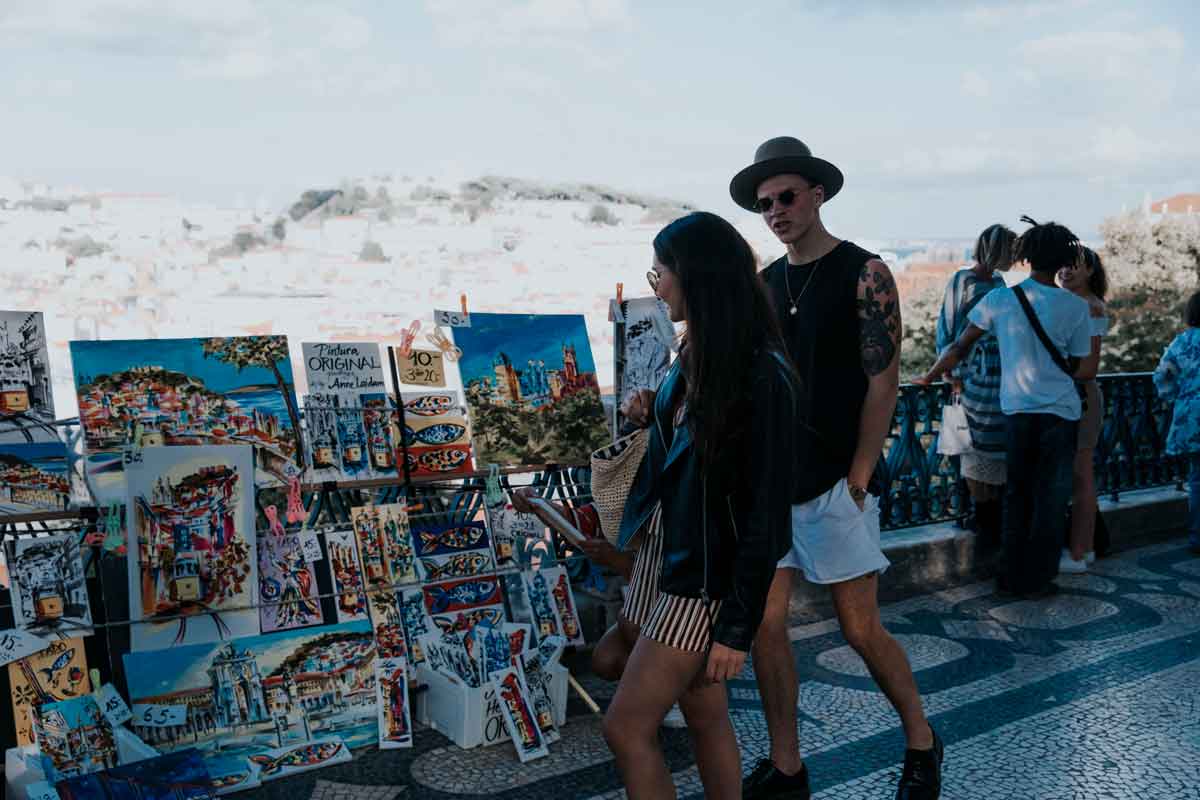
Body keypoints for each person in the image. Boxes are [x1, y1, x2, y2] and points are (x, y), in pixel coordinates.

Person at [727, 136, 941, 800]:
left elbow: (884, 383)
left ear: (817, 194)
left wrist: (859, 473)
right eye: (764, 203)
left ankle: (922, 743)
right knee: (766, 626)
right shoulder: (763, 283)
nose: (775, 211)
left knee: (859, 626)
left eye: (786, 196)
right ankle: (787, 766)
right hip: (773, 480)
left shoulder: (864, 271)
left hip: (835, 484)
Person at [603, 211, 800, 799]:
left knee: (626, 727)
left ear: (696, 275)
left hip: (701, 580)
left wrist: (736, 631)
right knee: (705, 715)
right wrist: (652, 407)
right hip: (670, 560)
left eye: (660, 272)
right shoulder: (699, 355)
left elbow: (766, 519)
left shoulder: (762, 375)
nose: (656, 285)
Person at [918, 217, 1098, 598]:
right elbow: (1084, 369)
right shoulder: (1075, 308)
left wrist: (930, 375)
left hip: (1015, 411)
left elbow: (959, 345)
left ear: (1026, 255)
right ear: (1064, 258)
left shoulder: (1001, 299)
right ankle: (1041, 577)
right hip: (1062, 413)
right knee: (1050, 499)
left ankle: (1010, 574)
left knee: (1016, 496)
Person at [935, 224, 1017, 547]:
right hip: (971, 374)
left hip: (1000, 376)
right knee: (972, 445)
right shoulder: (962, 280)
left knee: (994, 448)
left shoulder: (1000, 282)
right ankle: (982, 515)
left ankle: (990, 515)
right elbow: (948, 324)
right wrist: (948, 371)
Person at [1056, 245, 1108, 572]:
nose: (1065, 270)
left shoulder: (1089, 307)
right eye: (1062, 265)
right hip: (1076, 395)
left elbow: (1089, 367)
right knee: (1078, 475)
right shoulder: (1077, 305)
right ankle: (1082, 548)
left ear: (1090, 271)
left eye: (1074, 266)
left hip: (1082, 397)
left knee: (1081, 475)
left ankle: (1079, 552)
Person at [1153, 291, 1200, 555]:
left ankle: (1197, 538)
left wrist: (1174, 398)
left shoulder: (1181, 342)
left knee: (1197, 479)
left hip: (1192, 415)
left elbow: (1163, 376)